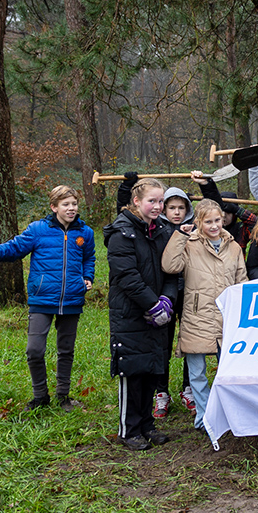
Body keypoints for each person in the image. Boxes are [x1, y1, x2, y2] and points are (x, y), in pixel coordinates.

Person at [0, 185, 95, 412]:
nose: (71, 208)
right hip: (42, 299)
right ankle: (39, 396)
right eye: (66, 204)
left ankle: (63, 396)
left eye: (74, 204)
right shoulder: (38, 230)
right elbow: (17, 247)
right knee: (34, 350)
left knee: (66, 350)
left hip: (72, 299)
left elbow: (88, 258)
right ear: (54, 207)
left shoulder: (86, 233)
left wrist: (87, 277)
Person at [161, 199, 248, 436]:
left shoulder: (234, 247)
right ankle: (204, 415)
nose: (214, 226)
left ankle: (228, 413)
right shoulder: (189, 245)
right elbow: (169, 266)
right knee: (196, 372)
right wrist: (180, 236)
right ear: (198, 222)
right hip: (196, 314)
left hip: (225, 315)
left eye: (217, 220)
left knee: (227, 370)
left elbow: (242, 281)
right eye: (208, 221)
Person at [104, 178, 178, 451]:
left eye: (161, 201)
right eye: (152, 201)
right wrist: (151, 305)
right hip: (131, 313)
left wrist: (167, 302)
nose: (158, 206)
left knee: (151, 368)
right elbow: (126, 275)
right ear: (137, 201)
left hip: (158, 313)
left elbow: (172, 269)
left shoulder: (163, 231)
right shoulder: (121, 232)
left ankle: (147, 425)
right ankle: (129, 429)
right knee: (133, 370)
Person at [153, 186, 195, 420]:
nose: (176, 212)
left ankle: (188, 388)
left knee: (189, 342)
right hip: (164, 294)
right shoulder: (157, 230)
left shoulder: (194, 229)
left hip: (189, 292)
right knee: (163, 344)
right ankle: (161, 392)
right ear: (164, 209)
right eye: (172, 208)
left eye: (181, 207)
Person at [188, 170, 258, 251]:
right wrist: (205, 184)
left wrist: (237, 210)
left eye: (228, 212)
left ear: (234, 214)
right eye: (221, 212)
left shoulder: (240, 229)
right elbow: (212, 201)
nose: (223, 215)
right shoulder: (210, 228)